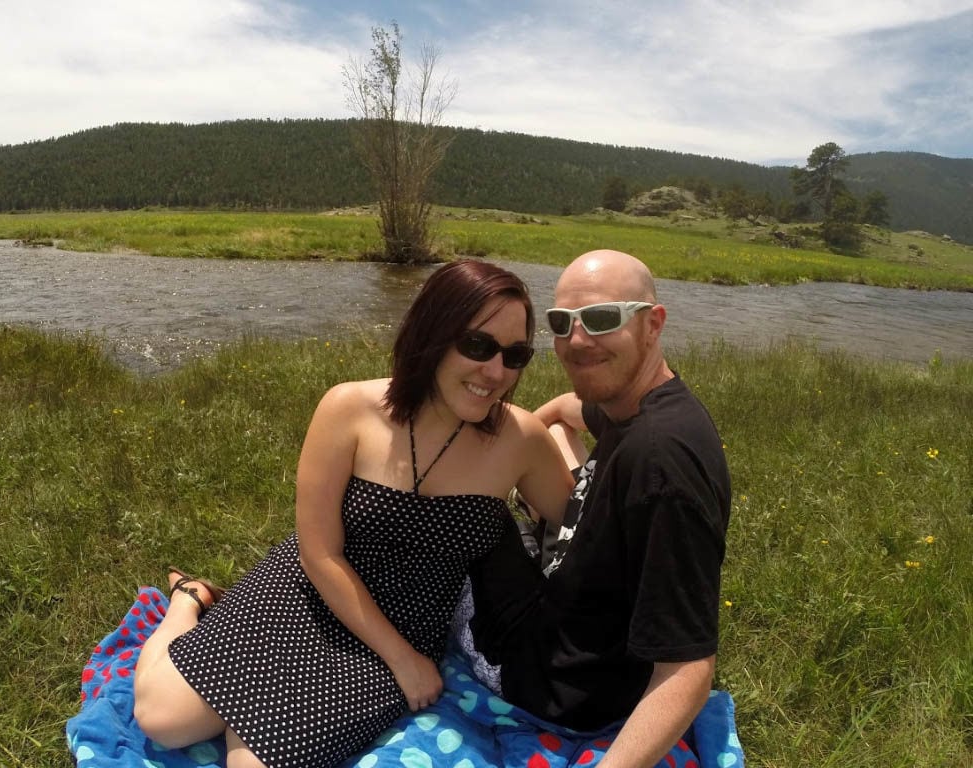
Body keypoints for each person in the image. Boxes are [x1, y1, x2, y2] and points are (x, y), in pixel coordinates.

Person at [132, 259, 575, 768]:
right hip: (308, 591)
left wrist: (580, 416)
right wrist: (403, 660)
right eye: (477, 345)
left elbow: (582, 522)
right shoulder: (348, 409)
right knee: (161, 721)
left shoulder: (520, 441)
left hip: (400, 628)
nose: (495, 372)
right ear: (433, 334)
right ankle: (188, 600)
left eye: (514, 355)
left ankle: (246, 712)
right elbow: (319, 552)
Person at [466, 249, 732, 768]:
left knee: (467, 513)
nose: (578, 341)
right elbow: (566, 409)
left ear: (652, 324)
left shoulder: (660, 466)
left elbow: (689, 668)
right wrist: (507, 443)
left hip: (557, 682)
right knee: (561, 432)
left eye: (603, 319)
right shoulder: (639, 404)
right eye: (562, 323)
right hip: (581, 601)